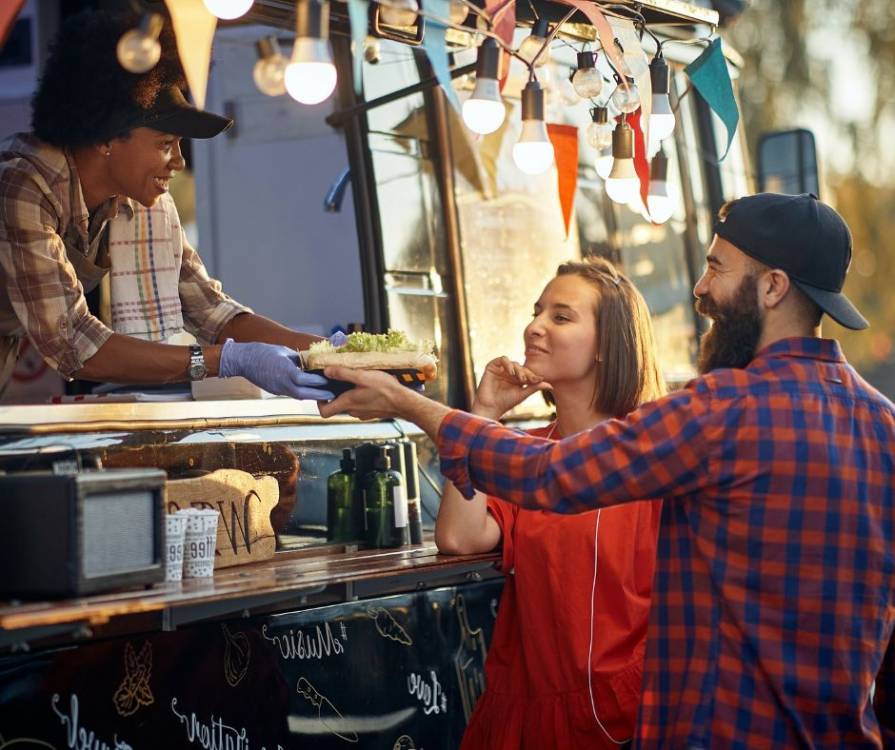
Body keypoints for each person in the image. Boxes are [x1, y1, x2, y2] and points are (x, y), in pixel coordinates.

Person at [320, 193, 895, 747]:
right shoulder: (883, 424)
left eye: (716, 268)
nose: (700, 288)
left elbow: (551, 476)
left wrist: (409, 404)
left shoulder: (725, 409)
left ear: (772, 287)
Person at [0, 9, 333, 401]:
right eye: (164, 144)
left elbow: (209, 310)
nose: (179, 161)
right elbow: (74, 342)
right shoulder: (22, 184)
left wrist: (325, 353)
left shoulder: (138, 201)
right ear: (106, 138)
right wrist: (227, 361)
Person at [435, 258, 665, 748]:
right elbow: (459, 536)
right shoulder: (527, 451)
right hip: (530, 714)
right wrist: (484, 416)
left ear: (608, 345)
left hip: (629, 713)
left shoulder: (654, 453)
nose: (533, 327)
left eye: (560, 317)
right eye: (537, 311)